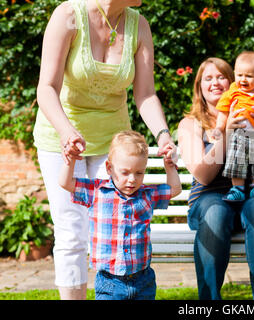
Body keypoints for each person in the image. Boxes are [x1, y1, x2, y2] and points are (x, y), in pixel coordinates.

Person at [33, 0, 175, 300]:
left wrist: (162, 134)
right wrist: (66, 131)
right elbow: (46, 86)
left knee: (114, 226)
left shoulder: (139, 25)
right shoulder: (69, 16)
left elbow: (145, 93)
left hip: (113, 146)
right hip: (63, 137)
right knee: (72, 232)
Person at [177, 57, 254, 300]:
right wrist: (226, 133)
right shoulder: (190, 124)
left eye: (221, 77)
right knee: (216, 212)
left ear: (233, 81)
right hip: (210, 199)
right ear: (199, 87)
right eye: (208, 78)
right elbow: (203, 176)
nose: (215, 83)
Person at [59, 130, 181, 300]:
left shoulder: (147, 194)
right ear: (109, 168)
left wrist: (170, 167)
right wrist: (70, 161)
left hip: (143, 279)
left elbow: (175, 189)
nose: (132, 179)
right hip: (109, 282)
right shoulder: (97, 191)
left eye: (139, 173)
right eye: (125, 172)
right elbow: (66, 183)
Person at [213, 51, 254, 202]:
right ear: (235, 74)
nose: (243, 79)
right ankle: (237, 189)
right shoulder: (233, 92)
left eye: (249, 76)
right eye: (240, 75)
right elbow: (223, 112)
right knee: (237, 159)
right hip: (239, 133)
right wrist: (219, 127)